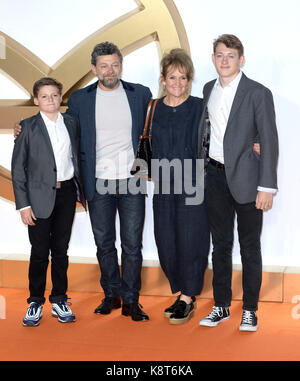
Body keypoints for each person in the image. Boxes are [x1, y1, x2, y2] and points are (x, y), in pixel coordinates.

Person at [198, 34, 279, 331]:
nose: (224, 61)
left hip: (248, 181)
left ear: (241, 59)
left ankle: (250, 309)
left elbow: (269, 140)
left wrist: (266, 186)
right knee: (220, 246)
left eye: (230, 56)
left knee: (249, 247)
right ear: (213, 59)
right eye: (219, 55)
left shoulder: (258, 93)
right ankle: (221, 306)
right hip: (214, 178)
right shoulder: (208, 89)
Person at [66, 42, 152, 321]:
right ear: (94, 69)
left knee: (132, 245)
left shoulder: (140, 94)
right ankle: (111, 295)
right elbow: (61, 128)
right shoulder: (79, 99)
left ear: (121, 65)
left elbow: (155, 129)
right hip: (98, 182)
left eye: (115, 64)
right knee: (104, 244)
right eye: (104, 65)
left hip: (131, 181)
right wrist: (25, 127)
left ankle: (131, 300)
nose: (110, 70)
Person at [11, 77, 85, 327]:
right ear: (36, 100)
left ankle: (59, 299)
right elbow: (18, 169)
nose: (50, 100)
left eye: (54, 95)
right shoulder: (27, 126)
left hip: (65, 195)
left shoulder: (72, 123)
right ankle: (34, 301)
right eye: (44, 96)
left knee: (61, 250)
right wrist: (23, 205)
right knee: (39, 252)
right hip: (38, 198)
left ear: (60, 97)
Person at [150, 49, 210, 325]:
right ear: (163, 79)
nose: (177, 82)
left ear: (189, 79)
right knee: (166, 240)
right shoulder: (152, 108)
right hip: (162, 184)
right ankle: (181, 290)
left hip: (193, 183)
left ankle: (187, 296)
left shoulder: (201, 106)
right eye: (172, 77)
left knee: (191, 240)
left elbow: (226, 130)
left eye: (183, 77)